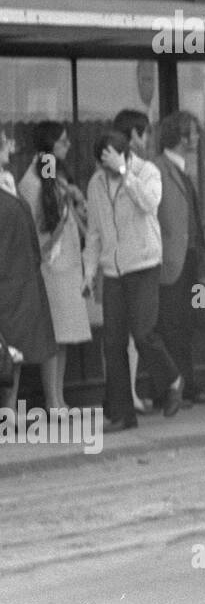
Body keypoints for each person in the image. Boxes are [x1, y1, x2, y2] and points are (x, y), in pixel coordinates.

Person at [83, 124, 184, 428]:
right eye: (104, 165)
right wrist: (89, 272)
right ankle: (122, 413)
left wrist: (125, 172)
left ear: (124, 155)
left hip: (142, 264)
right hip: (112, 269)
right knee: (112, 343)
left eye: (111, 164)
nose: (107, 172)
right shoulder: (96, 183)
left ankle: (172, 379)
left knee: (143, 334)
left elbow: (150, 204)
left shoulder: (147, 172)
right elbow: (94, 232)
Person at [18, 121, 89, 410]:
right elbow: (38, 227)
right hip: (51, 266)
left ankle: (58, 396)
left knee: (67, 337)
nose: (68, 145)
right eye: (61, 141)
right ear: (48, 146)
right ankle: (52, 400)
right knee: (55, 336)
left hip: (69, 265)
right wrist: (62, 210)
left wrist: (73, 200)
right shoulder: (35, 181)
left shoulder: (55, 175)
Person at [154, 112, 205, 407]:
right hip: (170, 265)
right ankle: (170, 389)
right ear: (181, 137)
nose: (197, 138)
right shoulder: (158, 169)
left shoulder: (183, 170)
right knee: (171, 325)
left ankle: (190, 384)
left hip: (192, 262)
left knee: (191, 320)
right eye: (193, 133)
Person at [0, 165, 58, 414]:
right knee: (10, 346)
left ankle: (11, 411)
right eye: (4, 143)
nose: (10, 147)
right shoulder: (35, 172)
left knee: (17, 349)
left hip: (22, 276)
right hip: (9, 277)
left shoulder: (10, 183)